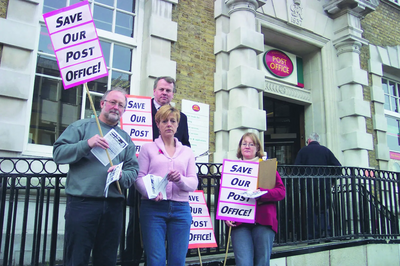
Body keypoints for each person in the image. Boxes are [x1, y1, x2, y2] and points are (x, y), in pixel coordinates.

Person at [53, 87, 139, 266]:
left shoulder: (125, 138)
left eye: (121, 105)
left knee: (106, 259)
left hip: (113, 206)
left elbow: (133, 171)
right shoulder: (80, 127)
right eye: (113, 102)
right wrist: (87, 144)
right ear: (102, 104)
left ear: (124, 110)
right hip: (82, 204)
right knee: (77, 257)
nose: (116, 107)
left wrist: (122, 175)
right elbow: (58, 154)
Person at [124, 76, 191, 265]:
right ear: (154, 91)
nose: (164, 93)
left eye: (168, 90)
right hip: (144, 179)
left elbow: (185, 144)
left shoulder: (181, 117)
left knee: (173, 246)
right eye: (161, 89)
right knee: (136, 227)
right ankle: (133, 261)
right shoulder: (138, 110)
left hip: (173, 190)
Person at [134, 105, 198, 266]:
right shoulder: (148, 148)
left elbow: (193, 182)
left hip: (181, 209)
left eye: (172, 121)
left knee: (177, 260)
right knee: (156, 260)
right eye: (164, 121)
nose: (168, 124)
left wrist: (180, 180)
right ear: (158, 124)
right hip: (153, 208)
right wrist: (150, 192)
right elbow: (139, 177)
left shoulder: (187, 152)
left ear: (178, 125)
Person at [225, 133, 286, 266]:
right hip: (240, 223)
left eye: (251, 144)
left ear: (257, 148)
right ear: (240, 147)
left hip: (263, 221)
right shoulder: (232, 169)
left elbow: (281, 192)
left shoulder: (266, 167)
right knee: (243, 263)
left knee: (262, 263)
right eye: (244, 143)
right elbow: (226, 196)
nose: (247, 146)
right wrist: (226, 215)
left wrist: (262, 193)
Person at [294, 132, 341, 239]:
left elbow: (295, 169)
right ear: (318, 141)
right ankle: (325, 232)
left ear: (309, 141)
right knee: (323, 210)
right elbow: (338, 167)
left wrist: (301, 182)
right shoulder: (326, 150)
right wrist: (332, 180)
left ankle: (313, 235)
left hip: (307, 185)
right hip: (324, 185)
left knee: (310, 210)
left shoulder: (303, 151)